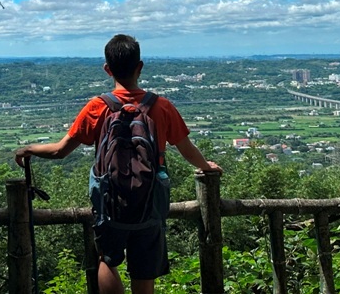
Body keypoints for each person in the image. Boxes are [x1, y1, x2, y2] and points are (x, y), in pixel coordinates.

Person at [15, 34, 221, 294]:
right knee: (145, 268)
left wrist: (28, 150)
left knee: (107, 259)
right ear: (140, 67)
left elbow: (59, 151)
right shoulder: (162, 106)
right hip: (150, 199)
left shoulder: (97, 107)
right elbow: (186, 149)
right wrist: (206, 166)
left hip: (109, 200)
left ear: (107, 69)